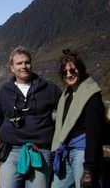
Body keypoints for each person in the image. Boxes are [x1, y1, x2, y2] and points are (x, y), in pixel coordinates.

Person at [0, 46, 61, 188]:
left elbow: (67, 106)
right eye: (19, 63)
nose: (24, 66)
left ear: (31, 64)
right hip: (11, 150)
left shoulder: (48, 88)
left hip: (40, 151)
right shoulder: (5, 90)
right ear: (12, 68)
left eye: (27, 62)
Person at [51, 49, 105, 188]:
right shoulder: (67, 95)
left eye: (72, 71)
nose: (69, 75)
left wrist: (88, 169)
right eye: (65, 73)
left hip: (82, 153)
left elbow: (94, 132)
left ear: (80, 70)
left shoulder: (91, 94)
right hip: (66, 151)